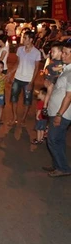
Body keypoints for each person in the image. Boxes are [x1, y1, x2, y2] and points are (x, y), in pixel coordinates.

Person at [42, 43, 71, 177]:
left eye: (65, 53)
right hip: (56, 111)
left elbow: (69, 96)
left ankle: (63, 168)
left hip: (62, 113)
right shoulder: (65, 68)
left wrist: (59, 114)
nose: (63, 55)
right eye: (63, 52)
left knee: (52, 140)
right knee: (58, 140)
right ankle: (58, 164)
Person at [7, 31, 41, 125]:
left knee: (27, 100)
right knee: (14, 98)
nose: (23, 39)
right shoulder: (20, 49)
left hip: (28, 80)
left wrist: (31, 82)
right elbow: (18, 63)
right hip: (17, 78)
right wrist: (11, 73)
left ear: (30, 39)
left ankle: (23, 118)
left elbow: (36, 68)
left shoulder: (36, 52)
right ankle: (14, 118)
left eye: (25, 38)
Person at [42, 43, 64, 111]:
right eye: (51, 52)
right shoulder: (54, 61)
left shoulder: (63, 62)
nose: (52, 53)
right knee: (49, 92)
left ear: (60, 53)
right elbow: (51, 69)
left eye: (54, 52)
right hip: (51, 78)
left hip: (55, 79)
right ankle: (45, 106)